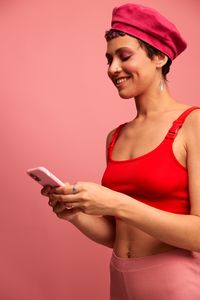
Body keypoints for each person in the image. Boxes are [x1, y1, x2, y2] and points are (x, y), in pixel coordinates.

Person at [42, 3, 200, 299]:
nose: (112, 68)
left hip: (174, 283)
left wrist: (115, 202)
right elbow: (120, 235)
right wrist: (75, 215)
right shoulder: (116, 137)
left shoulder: (193, 124)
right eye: (109, 58)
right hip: (120, 279)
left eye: (124, 56)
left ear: (159, 56)